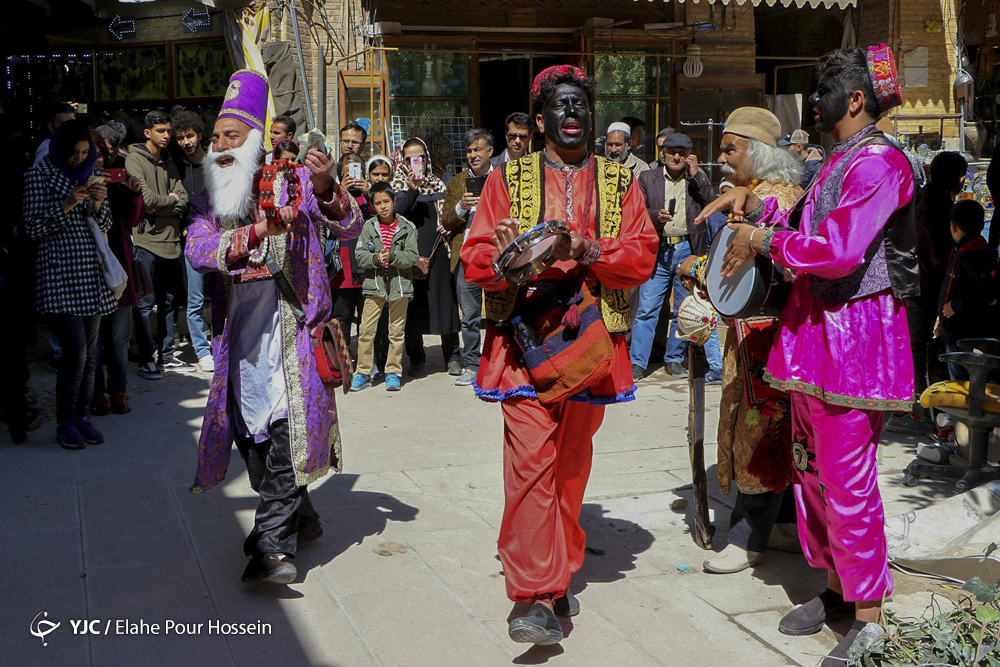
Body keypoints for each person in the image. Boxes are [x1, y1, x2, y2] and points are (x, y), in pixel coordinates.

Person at [696, 45, 917, 666]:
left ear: (854, 99)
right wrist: (753, 207)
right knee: (811, 471)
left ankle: (869, 616)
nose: (812, 101)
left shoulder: (881, 162)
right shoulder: (837, 160)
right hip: (814, 333)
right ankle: (835, 591)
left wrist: (765, 237)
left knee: (847, 482)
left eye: (823, 91)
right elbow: (805, 214)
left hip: (855, 339)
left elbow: (841, 248)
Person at [461, 64, 658, 645]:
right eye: (560, 106)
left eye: (580, 105)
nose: (572, 114)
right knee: (529, 469)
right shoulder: (507, 178)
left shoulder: (623, 184)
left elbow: (641, 256)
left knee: (570, 470)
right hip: (522, 345)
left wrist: (587, 247)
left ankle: (559, 564)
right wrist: (505, 263)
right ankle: (533, 596)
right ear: (540, 118)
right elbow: (475, 255)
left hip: (593, 346)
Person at [185, 69, 363, 585]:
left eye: (230, 137)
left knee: (286, 436)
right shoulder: (208, 204)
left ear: (255, 143)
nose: (219, 146)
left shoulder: (299, 181)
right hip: (238, 341)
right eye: (215, 138)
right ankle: (300, 518)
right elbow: (201, 253)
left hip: (295, 337)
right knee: (256, 449)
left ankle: (271, 548)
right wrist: (260, 229)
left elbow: (349, 225)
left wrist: (328, 183)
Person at [679, 107, 805, 574]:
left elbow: (786, 262)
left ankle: (751, 531)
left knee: (761, 431)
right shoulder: (754, 192)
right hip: (750, 336)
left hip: (771, 341)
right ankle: (785, 525)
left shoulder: (782, 197)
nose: (723, 157)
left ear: (760, 152)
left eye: (731, 148)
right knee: (766, 430)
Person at [23, 119, 116, 449]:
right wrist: (67, 202)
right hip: (58, 277)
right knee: (75, 353)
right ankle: (65, 422)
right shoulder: (38, 175)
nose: (80, 159)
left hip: (91, 277)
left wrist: (99, 201)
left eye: (85, 152)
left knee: (91, 355)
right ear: (61, 150)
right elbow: (32, 228)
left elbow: (104, 225)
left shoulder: (91, 174)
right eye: (74, 154)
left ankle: (82, 418)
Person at [887, 151, 967, 434]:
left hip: (918, 283)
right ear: (956, 178)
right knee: (918, 347)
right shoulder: (936, 202)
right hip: (924, 286)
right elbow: (935, 250)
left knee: (917, 347)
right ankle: (914, 409)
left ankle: (921, 408)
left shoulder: (926, 196)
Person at [631, 132, 718, 382]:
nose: (676, 157)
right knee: (647, 309)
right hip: (659, 249)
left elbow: (711, 204)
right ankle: (638, 362)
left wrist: (697, 174)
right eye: (672, 152)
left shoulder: (696, 178)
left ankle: (674, 360)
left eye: (682, 152)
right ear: (663, 153)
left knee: (682, 308)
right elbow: (636, 210)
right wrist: (655, 216)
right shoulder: (648, 177)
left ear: (689, 155)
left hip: (687, 250)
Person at [126, 110, 192, 379]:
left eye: (168, 131)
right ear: (147, 133)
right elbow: (148, 200)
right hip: (146, 243)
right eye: (161, 131)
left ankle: (166, 355)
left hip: (172, 243)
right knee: (144, 305)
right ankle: (146, 359)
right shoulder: (134, 160)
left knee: (168, 302)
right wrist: (169, 201)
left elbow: (184, 199)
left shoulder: (168, 161)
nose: (166, 136)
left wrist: (165, 204)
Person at [391, 137, 461, 377]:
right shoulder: (398, 186)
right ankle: (417, 358)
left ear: (427, 159)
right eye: (409, 159)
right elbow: (397, 214)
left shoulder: (439, 185)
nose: (415, 163)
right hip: (411, 257)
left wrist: (449, 226)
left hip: (439, 253)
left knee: (445, 304)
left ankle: (452, 355)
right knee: (414, 307)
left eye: (419, 157)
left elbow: (450, 215)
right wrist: (412, 188)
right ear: (403, 161)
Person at [90, 131, 144, 417]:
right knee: (95, 339)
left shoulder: (118, 185)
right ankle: (96, 391)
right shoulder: (75, 186)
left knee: (119, 337)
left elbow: (134, 220)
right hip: (89, 271)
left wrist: (135, 194)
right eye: (91, 154)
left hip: (119, 268)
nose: (96, 160)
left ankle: (119, 390)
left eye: (99, 154)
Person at [351, 182, 418, 392]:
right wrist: (376, 259)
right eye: (378, 203)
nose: (383, 207)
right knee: (366, 331)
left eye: (386, 201)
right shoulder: (369, 227)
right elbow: (360, 255)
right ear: (372, 206)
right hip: (374, 286)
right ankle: (363, 372)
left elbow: (412, 256)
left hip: (399, 287)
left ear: (394, 201)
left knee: (396, 331)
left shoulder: (406, 227)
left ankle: (393, 372)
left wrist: (393, 256)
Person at [441, 129, 493, 387]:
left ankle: (499, 364)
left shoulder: (504, 178)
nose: (473, 155)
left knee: (500, 313)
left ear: (489, 152)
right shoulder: (455, 183)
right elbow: (446, 220)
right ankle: (472, 365)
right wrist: (462, 205)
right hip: (467, 256)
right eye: (470, 151)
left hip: (498, 254)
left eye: (478, 150)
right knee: (470, 317)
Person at [936, 200, 998, 380]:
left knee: (962, 378)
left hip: (963, 330)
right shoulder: (963, 252)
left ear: (953, 227)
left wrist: (956, 306)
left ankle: (967, 407)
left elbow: (987, 292)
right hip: (952, 327)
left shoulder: (972, 257)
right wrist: (942, 323)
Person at [173, 109, 214, 373]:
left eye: (189, 135)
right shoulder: (174, 165)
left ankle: (222, 343)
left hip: (219, 238)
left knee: (222, 294)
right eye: (180, 137)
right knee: (195, 299)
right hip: (191, 242)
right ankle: (202, 350)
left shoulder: (215, 163)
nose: (186, 141)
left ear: (199, 134)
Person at [33, 101, 76, 168]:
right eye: (64, 125)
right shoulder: (45, 155)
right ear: (51, 127)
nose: (70, 128)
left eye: (72, 124)